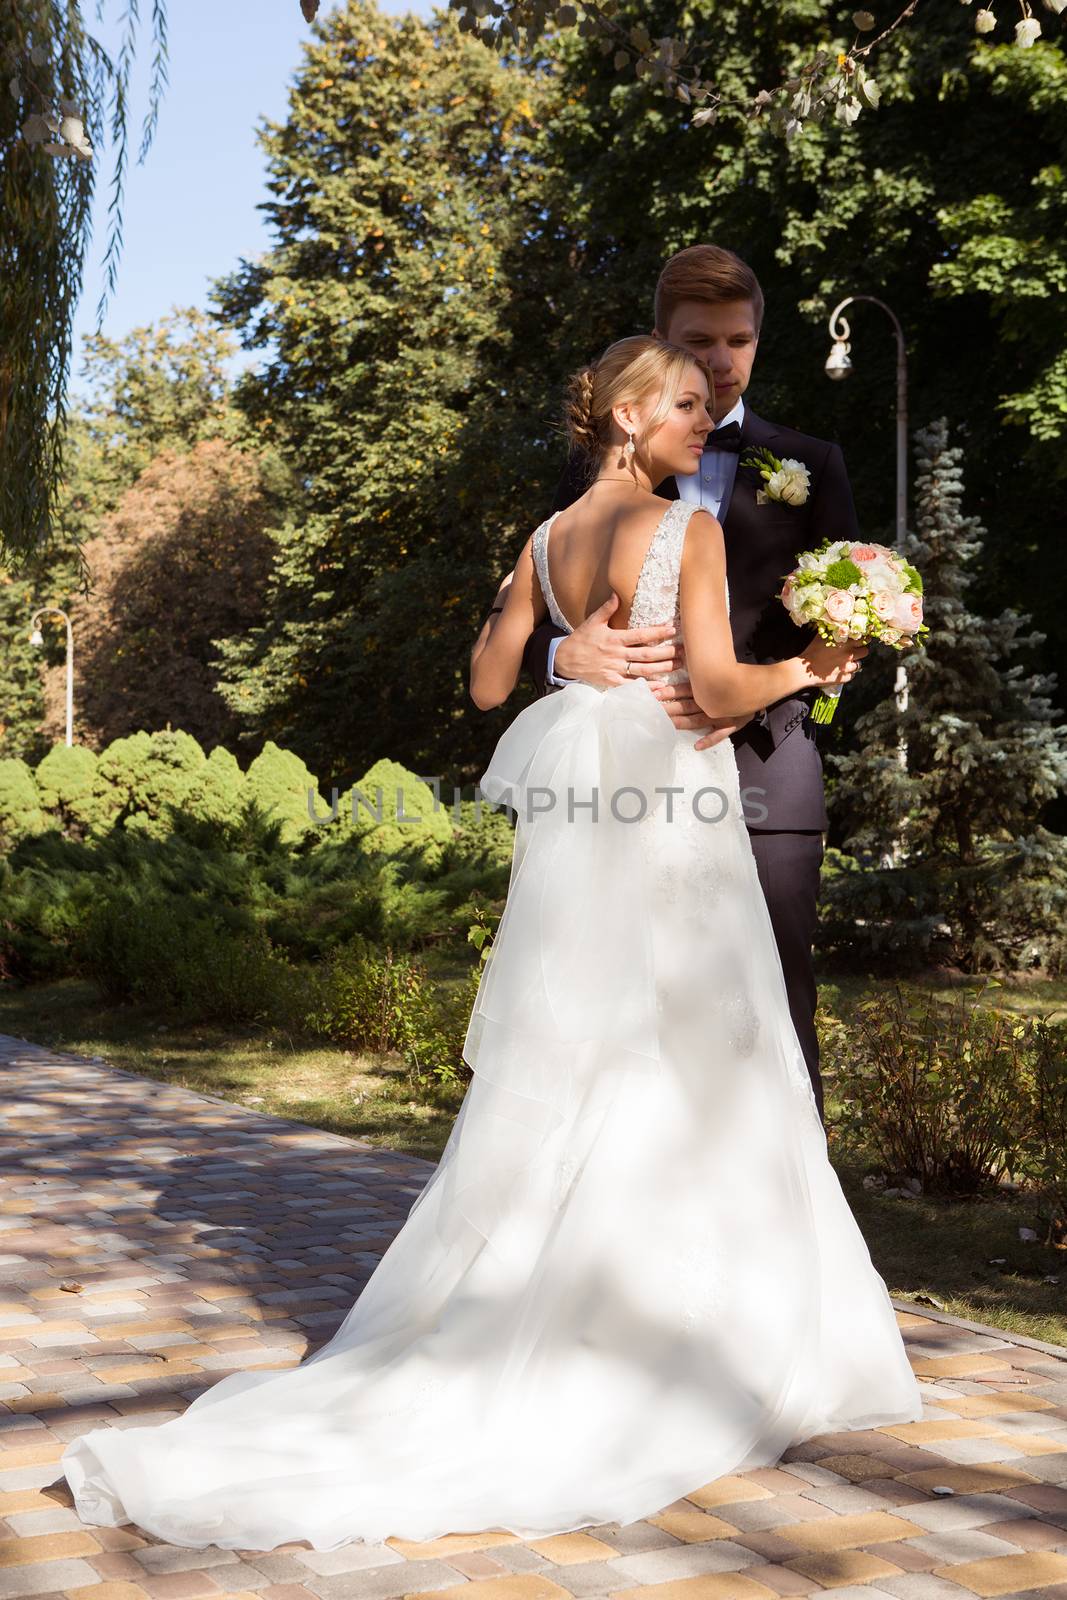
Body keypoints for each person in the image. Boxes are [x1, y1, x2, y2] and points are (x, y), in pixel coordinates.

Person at [59, 335, 921, 1556]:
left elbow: (481, 682)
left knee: (589, 1037)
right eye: (682, 403)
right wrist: (814, 664)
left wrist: (561, 654)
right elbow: (721, 692)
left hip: (590, 803)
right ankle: (691, 1336)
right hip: (667, 808)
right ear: (627, 414)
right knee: (688, 1042)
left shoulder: (546, 534)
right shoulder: (687, 526)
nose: (702, 416)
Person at [516, 245, 860, 1119]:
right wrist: (562, 659)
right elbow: (525, 611)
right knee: (614, 994)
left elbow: (850, 629)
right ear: (660, 342)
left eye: (738, 340)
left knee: (775, 999)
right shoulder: (594, 464)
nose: (720, 360)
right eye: (698, 341)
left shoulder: (812, 462)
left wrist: (780, 693)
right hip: (625, 776)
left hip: (766, 764)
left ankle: (787, 1223)